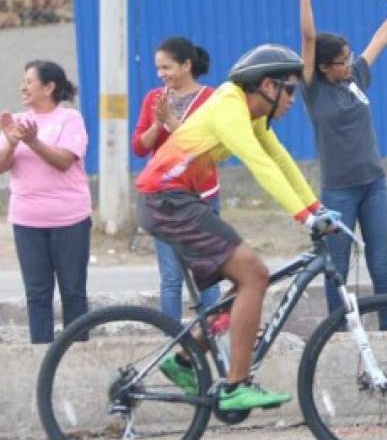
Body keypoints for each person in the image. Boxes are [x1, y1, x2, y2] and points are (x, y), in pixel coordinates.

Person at [136, 43, 342, 410]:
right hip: (165, 199)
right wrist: (305, 217)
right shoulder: (230, 108)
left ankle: (184, 358)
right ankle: (236, 385)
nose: (294, 98)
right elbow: (258, 164)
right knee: (255, 275)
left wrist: (315, 205)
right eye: (289, 88)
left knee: (248, 280)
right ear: (267, 85)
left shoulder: (252, 112)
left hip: (178, 200)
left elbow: (278, 156)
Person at [293, 0, 387, 330]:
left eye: (348, 59)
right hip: (339, 192)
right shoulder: (313, 89)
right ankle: (339, 335)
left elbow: (381, 39)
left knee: (381, 265)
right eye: (342, 62)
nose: (349, 63)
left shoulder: (355, 78)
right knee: (337, 269)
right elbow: (309, 37)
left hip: (374, 184)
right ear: (325, 67)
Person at [0, 61, 92, 344]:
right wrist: (13, 141)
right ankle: (41, 357)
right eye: (23, 81)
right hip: (27, 221)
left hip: (70, 220)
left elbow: (64, 162)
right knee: (37, 294)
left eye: (29, 81)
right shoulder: (15, 121)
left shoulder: (69, 119)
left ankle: (77, 354)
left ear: (49, 87)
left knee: (73, 291)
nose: (23, 87)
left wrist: (33, 142)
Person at [132, 36, 219, 323]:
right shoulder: (153, 99)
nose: (162, 75)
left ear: (186, 65)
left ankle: (213, 338)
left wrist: (171, 120)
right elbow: (139, 147)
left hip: (200, 197)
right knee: (170, 277)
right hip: (164, 197)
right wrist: (158, 123)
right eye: (158, 69)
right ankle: (170, 338)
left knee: (207, 272)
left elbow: (201, 146)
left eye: (167, 67)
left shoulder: (211, 99)